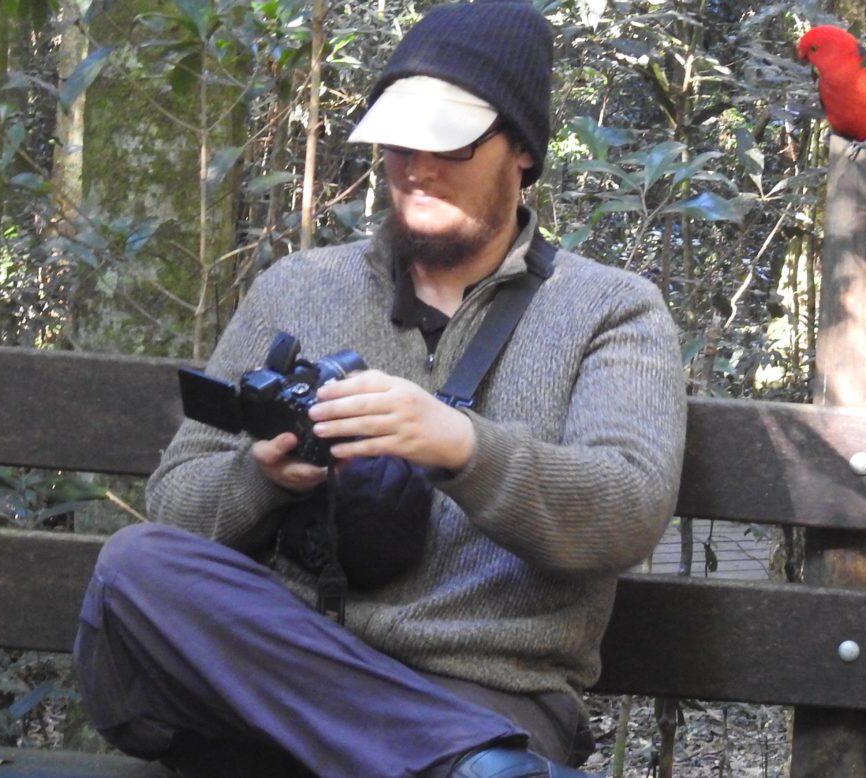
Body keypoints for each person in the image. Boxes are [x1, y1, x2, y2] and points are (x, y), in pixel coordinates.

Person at [70, 1, 687, 776]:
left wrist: (463, 448)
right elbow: (176, 504)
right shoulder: (298, 288)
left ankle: (449, 755)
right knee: (134, 564)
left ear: (523, 150)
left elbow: (626, 511)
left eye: (448, 143)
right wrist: (260, 478)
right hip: (280, 683)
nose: (415, 167)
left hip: (479, 697)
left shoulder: (611, 308)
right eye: (399, 141)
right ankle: (459, 764)